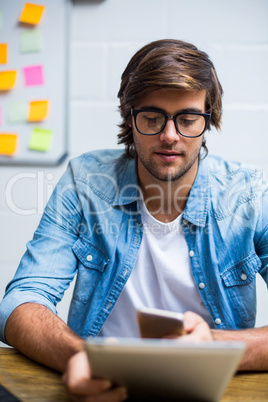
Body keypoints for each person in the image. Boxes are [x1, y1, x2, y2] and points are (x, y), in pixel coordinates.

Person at [0, 39, 268, 401]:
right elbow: (22, 300)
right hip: (102, 389)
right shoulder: (85, 181)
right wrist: (79, 358)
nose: (169, 135)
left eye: (188, 119)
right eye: (153, 117)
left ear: (209, 120)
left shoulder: (250, 193)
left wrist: (215, 346)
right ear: (131, 117)